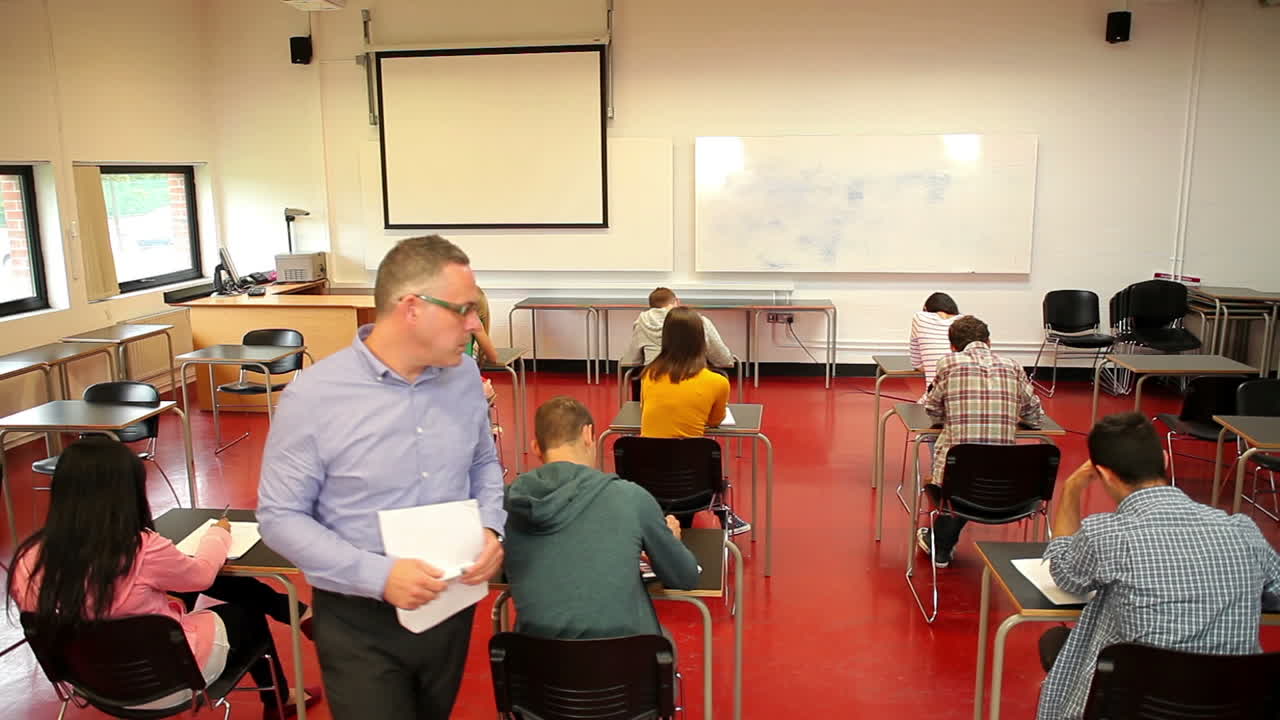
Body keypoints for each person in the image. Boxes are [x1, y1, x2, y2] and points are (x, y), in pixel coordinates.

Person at [257, 235, 506, 720]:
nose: (475, 324)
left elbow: (482, 464)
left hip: (451, 606)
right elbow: (280, 516)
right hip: (358, 621)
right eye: (464, 310)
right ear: (411, 308)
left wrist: (492, 526)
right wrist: (380, 575)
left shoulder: (464, 379)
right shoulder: (315, 396)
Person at [7, 436, 319, 715]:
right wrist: (218, 534)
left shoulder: (28, 558)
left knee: (185, 579)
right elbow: (201, 576)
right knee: (245, 612)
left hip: (86, 679)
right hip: (165, 679)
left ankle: (292, 611)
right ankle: (279, 699)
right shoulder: (140, 548)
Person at [1036, 412, 1280, 720]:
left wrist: (1071, 488)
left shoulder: (1106, 535)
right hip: (1231, 704)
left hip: (1135, 704)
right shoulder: (1242, 530)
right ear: (1164, 460)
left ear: (1104, 474)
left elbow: (1065, 573)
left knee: (1058, 640)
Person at [503, 396, 700, 639]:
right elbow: (685, 576)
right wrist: (672, 540)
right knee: (664, 642)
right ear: (588, 435)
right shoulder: (631, 498)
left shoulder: (506, 503)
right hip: (623, 665)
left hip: (538, 666)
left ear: (536, 448)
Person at [917, 315, 1044, 567]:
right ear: (989, 341)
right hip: (1008, 487)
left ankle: (939, 543)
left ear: (953, 346)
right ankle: (939, 541)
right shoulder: (1012, 365)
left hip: (958, 482)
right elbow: (1034, 416)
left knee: (961, 475)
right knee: (976, 473)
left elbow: (932, 410)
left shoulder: (948, 364)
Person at [640, 306, 749, 534]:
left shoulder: (649, 375)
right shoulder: (717, 382)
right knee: (710, 465)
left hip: (646, 479)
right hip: (694, 485)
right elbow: (715, 419)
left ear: (666, 338)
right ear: (701, 339)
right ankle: (724, 515)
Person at [622, 286, 734, 369]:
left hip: (654, 381)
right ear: (677, 302)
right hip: (694, 378)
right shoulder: (700, 321)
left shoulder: (641, 322)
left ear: (651, 306)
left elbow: (631, 360)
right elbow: (722, 359)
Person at [908, 292, 960, 394]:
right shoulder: (966, 321)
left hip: (935, 398)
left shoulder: (920, 317)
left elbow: (917, 363)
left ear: (926, 308)